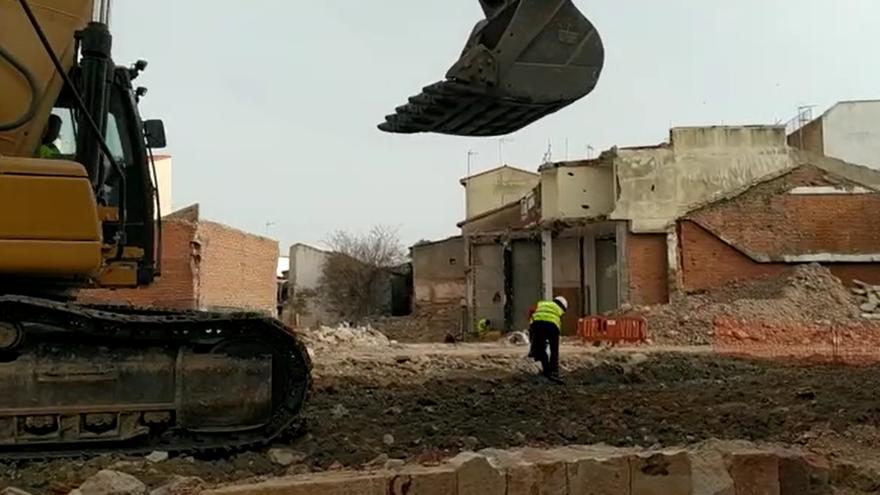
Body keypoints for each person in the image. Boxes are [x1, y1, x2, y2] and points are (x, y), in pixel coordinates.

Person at [528, 296, 568, 383]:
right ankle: (554, 372)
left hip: (536, 324)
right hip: (552, 326)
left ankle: (545, 368)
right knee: (554, 350)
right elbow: (557, 320)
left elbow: (531, 311)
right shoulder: (559, 309)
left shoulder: (542, 303)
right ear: (563, 306)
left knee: (540, 348)